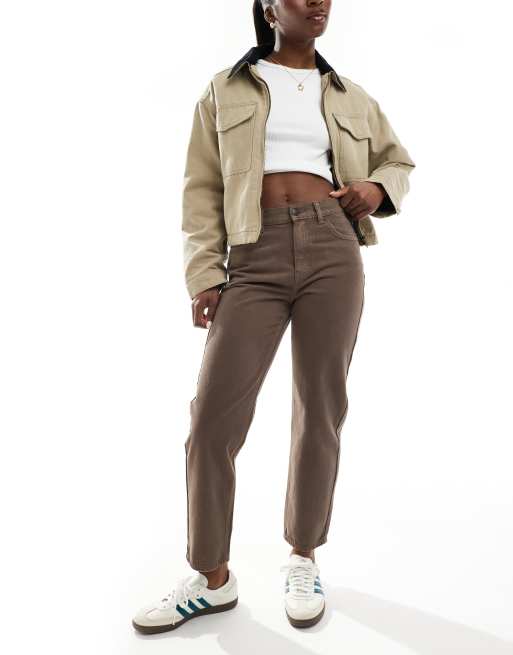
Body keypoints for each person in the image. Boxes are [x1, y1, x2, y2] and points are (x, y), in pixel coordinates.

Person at [132, 0, 415, 634]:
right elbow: (201, 187)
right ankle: (212, 579)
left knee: (320, 406)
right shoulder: (225, 89)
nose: (318, 2)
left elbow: (397, 161)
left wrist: (375, 189)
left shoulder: (350, 95)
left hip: (332, 248)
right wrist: (205, 273)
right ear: (267, 7)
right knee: (211, 419)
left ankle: (303, 557)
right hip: (251, 255)